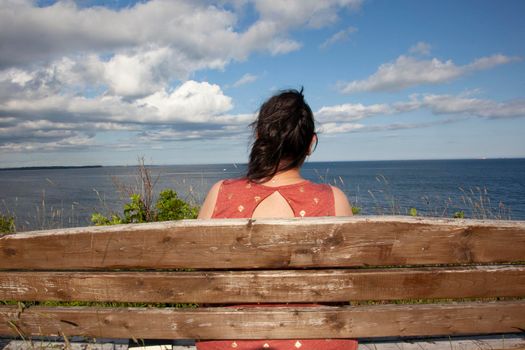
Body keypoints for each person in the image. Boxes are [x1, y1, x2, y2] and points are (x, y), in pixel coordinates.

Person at [197, 89, 357, 350]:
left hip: (228, 339)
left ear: (259, 137)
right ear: (310, 144)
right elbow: (346, 284)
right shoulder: (334, 200)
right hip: (318, 341)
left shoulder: (220, 194)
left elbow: (201, 275)